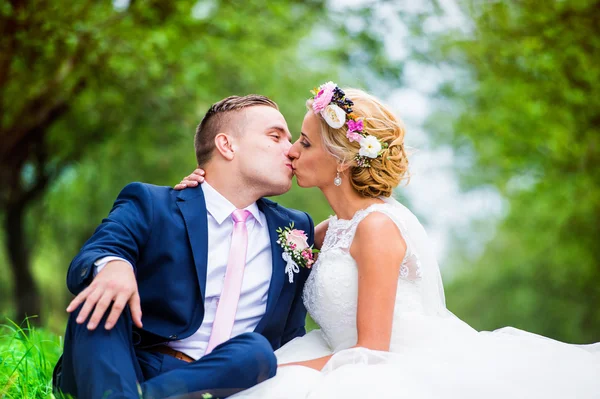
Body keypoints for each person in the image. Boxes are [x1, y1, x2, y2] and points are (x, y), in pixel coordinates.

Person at [177, 82, 600, 399]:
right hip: (335, 353)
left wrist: (278, 374)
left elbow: (371, 349)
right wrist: (205, 188)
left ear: (341, 159)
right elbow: (248, 239)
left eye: (304, 143)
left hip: (381, 370)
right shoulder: (330, 229)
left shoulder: (377, 227)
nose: (291, 151)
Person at [53, 94, 318, 399]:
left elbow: (291, 332)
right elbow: (95, 254)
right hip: (130, 364)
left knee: (257, 351)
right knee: (101, 298)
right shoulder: (153, 203)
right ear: (227, 145)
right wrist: (115, 266)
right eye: (276, 136)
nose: (293, 149)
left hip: (223, 379)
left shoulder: (297, 229)